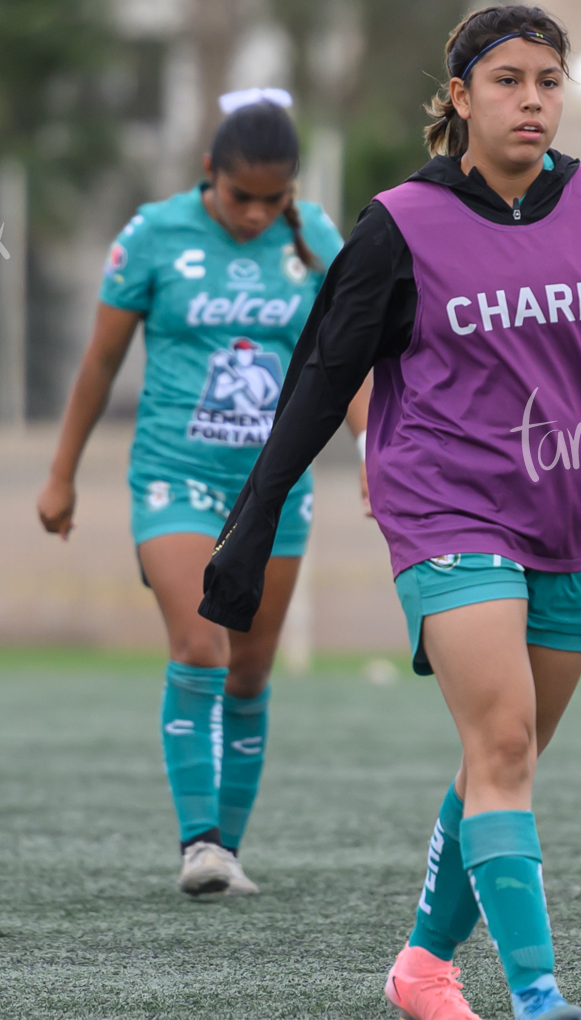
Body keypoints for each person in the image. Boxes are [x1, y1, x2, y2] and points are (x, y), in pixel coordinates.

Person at [200, 5, 581, 1020]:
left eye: (548, 81)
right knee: (501, 741)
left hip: (578, 509)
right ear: (459, 97)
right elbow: (322, 381)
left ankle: (421, 967)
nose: (531, 99)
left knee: (497, 761)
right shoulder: (397, 225)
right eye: (507, 80)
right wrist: (247, 530)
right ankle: (536, 994)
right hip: (445, 508)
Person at [38, 90, 365, 898]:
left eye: (272, 198)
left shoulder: (315, 238)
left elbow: (347, 359)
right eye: (239, 195)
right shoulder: (153, 235)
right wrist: (61, 471)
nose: (255, 213)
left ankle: (227, 852)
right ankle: (200, 842)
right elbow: (100, 363)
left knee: (250, 675)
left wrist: (375, 451)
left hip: (274, 488)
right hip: (172, 475)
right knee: (201, 646)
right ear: (207, 171)